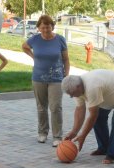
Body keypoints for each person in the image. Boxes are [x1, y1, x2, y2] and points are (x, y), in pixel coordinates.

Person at [61, 69, 114, 164]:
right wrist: (74, 132)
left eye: (72, 94)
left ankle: (112, 155)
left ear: (78, 86)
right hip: (110, 94)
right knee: (99, 118)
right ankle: (104, 148)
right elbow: (80, 110)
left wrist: (83, 136)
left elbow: (93, 115)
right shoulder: (77, 89)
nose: (72, 96)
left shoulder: (92, 87)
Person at [22, 15, 70, 146]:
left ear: (52, 27)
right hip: (38, 78)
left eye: (48, 27)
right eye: (42, 27)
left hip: (56, 79)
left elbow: (66, 59)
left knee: (55, 107)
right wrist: (33, 57)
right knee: (41, 108)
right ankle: (42, 133)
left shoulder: (60, 39)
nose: (45, 30)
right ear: (39, 28)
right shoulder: (35, 39)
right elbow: (24, 46)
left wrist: (66, 74)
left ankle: (57, 136)